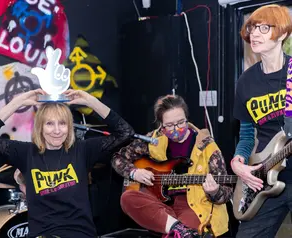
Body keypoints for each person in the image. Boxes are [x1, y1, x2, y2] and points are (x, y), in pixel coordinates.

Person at [0, 88, 134, 238]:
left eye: (62, 123)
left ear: (69, 126)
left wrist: (90, 101)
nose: (57, 131)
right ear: (40, 127)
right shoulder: (26, 153)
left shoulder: (82, 150)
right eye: (50, 124)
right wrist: (19, 102)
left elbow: (125, 132)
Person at [112, 95, 232, 238]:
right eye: (169, 125)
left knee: (174, 235)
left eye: (181, 122)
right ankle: (180, 229)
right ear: (161, 126)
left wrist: (214, 192)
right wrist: (134, 173)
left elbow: (226, 192)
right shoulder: (153, 140)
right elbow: (118, 158)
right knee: (127, 198)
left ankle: (179, 230)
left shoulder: (207, 146)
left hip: (193, 205)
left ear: (187, 118)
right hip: (159, 203)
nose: (176, 128)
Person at [231, 4, 292, 237]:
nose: (254, 34)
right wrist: (238, 162)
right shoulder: (245, 82)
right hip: (264, 179)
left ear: (283, 34)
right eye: (252, 28)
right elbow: (247, 135)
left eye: (264, 28)